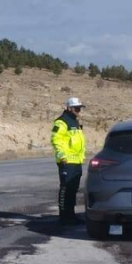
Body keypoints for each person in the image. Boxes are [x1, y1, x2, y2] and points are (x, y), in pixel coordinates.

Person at [50, 97, 87, 226]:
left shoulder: (75, 121)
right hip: (66, 161)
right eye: (77, 108)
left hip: (77, 161)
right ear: (69, 108)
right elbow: (56, 139)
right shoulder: (61, 122)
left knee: (73, 190)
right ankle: (63, 216)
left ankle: (71, 215)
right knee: (65, 189)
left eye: (80, 108)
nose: (79, 111)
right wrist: (62, 156)